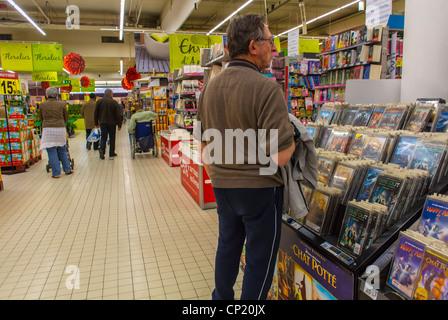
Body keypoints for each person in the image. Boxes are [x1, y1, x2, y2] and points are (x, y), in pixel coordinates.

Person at [195, 14, 295, 300]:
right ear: (254, 46)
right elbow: (281, 156)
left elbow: (203, 146)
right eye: (270, 41)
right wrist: (296, 141)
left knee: (228, 246)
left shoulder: (208, 88)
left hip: (222, 187)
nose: (273, 49)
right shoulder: (267, 89)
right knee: (259, 258)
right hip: (260, 190)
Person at [39, 87, 73, 178]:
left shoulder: (42, 105)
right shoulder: (62, 104)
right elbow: (66, 117)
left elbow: (40, 118)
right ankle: (67, 169)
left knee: (51, 150)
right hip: (60, 128)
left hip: (48, 129)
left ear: (47, 94)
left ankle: (56, 173)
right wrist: (62, 122)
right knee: (62, 149)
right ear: (56, 94)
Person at [94, 88, 122, 159]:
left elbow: (96, 113)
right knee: (112, 137)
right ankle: (111, 152)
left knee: (103, 137)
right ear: (111, 94)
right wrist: (119, 124)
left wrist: (96, 123)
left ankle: (102, 150)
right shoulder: (114, 102)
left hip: (102, 122)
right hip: (112, 123)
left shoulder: (99, 101)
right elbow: (118, 115)